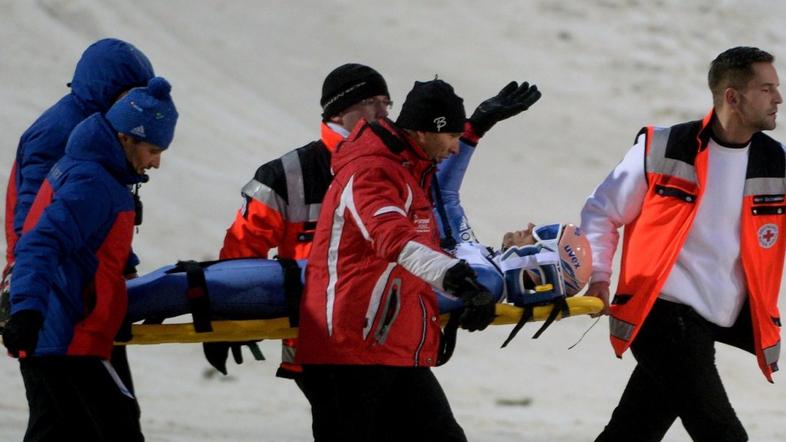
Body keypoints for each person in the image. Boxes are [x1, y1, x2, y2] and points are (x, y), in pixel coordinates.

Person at [580, 46, 784, 441]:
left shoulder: (776, 164)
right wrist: (600, 277)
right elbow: (602, 211)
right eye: (766, 89)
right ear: (732, 97)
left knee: (632, 432)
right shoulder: (663, 150)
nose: (778, 98)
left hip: (711, 320)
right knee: (722, 434)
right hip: (662, 316)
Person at [295, 78, 499, 441]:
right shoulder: (371, 171)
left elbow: (419, 249)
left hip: (390, 346)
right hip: (348, 350)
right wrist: (461, 282)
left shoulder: (410, 169)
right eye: (451, 135)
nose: (454, 148)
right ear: (423, 131)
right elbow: (393, 240)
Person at [1, 77, 178, 441]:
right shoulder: (92, 181)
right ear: (125, 138)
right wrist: (28, 310)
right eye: (153, 149)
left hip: (66, 335)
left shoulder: (100, 174)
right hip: (66, 337)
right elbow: (40, 243)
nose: (157, 163)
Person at [206, 63, 393, 379]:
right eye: (371, 103)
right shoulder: (285, 175)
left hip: (389, 342)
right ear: (337, 111)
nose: (383, 114)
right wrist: (231, 318)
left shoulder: (397, 168)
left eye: (386, 103)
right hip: (319, 349)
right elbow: (241, 257)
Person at [3, 38, 155, 318]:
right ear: (108, 90)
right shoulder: (58, 132)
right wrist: (28, 288)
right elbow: (33, 218)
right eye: (132, 94)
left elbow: (100, 210)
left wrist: (125, 266)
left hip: (85, 272)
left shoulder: (106, 133)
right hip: (51, 280)